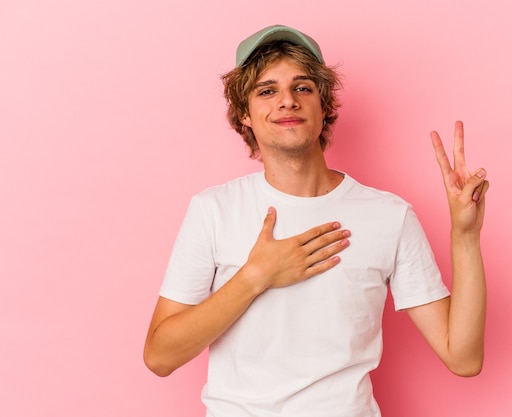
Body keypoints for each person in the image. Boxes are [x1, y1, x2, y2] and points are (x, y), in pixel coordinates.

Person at [144, 24, 489, 417]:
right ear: (245, 114)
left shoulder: (389, 216)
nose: (287, 101)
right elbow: (160, 356)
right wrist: (255, 277)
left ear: (324, 107)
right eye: (267, 90)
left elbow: (463, 358)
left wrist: (465, 236)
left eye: (303, 88)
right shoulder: (213, 209)